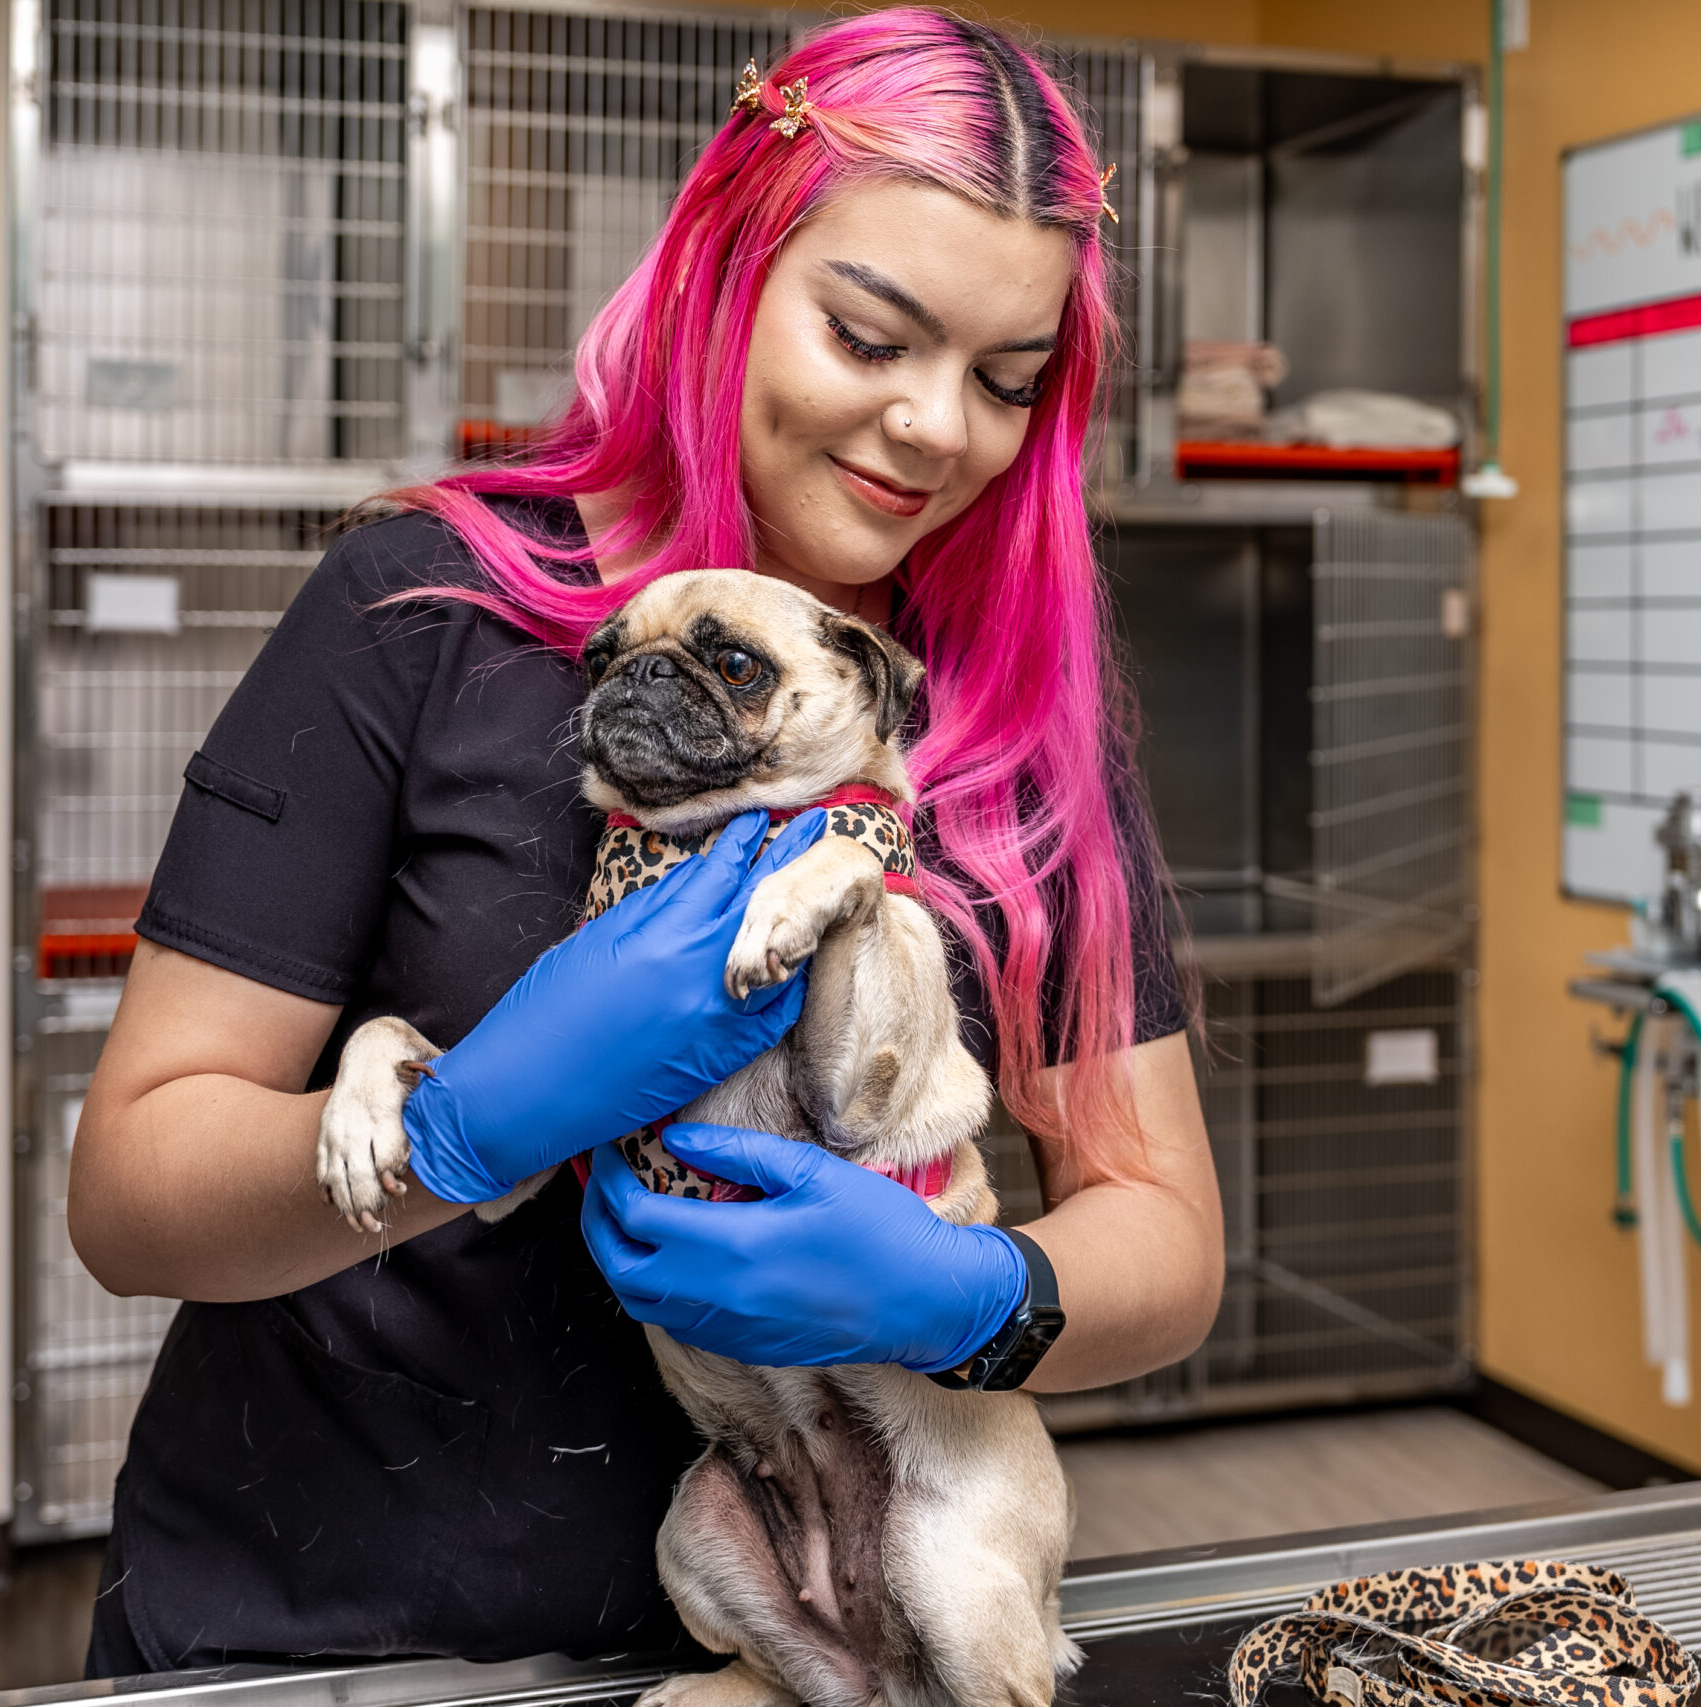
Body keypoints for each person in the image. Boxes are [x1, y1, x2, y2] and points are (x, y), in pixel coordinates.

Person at [67, 8, 1224, 1676]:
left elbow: (1166, 1240)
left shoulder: (1008, 711)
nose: (932, 427)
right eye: (867, 333)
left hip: (792, 1652)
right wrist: (456, 1132)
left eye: (1004, 380)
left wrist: (971, 1297)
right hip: (327, 1622)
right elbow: (130, 1196)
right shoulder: (422, 609)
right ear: (724, 269)